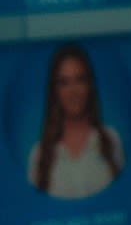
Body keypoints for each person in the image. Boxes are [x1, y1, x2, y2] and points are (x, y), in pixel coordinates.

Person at [27, 42, 123, 199]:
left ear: (89, 85)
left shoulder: (111, 140)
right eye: (64, 82)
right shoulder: (38, 155)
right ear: (55, 91)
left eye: (80, 79)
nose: (73, 91)